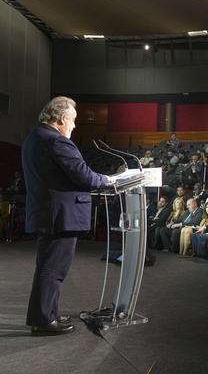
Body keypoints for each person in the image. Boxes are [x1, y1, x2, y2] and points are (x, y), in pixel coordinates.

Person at [23, 96, 114, 336]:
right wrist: (107, 179)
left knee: (49, 267)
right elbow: (84, 176)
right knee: (52, 270)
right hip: (59, 216)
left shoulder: (35, 137)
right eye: (73, 121)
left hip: (49, 213)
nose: (74, 126)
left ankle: (47, 314)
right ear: (62, 119)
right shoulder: (57, 141)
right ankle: (43, 321)